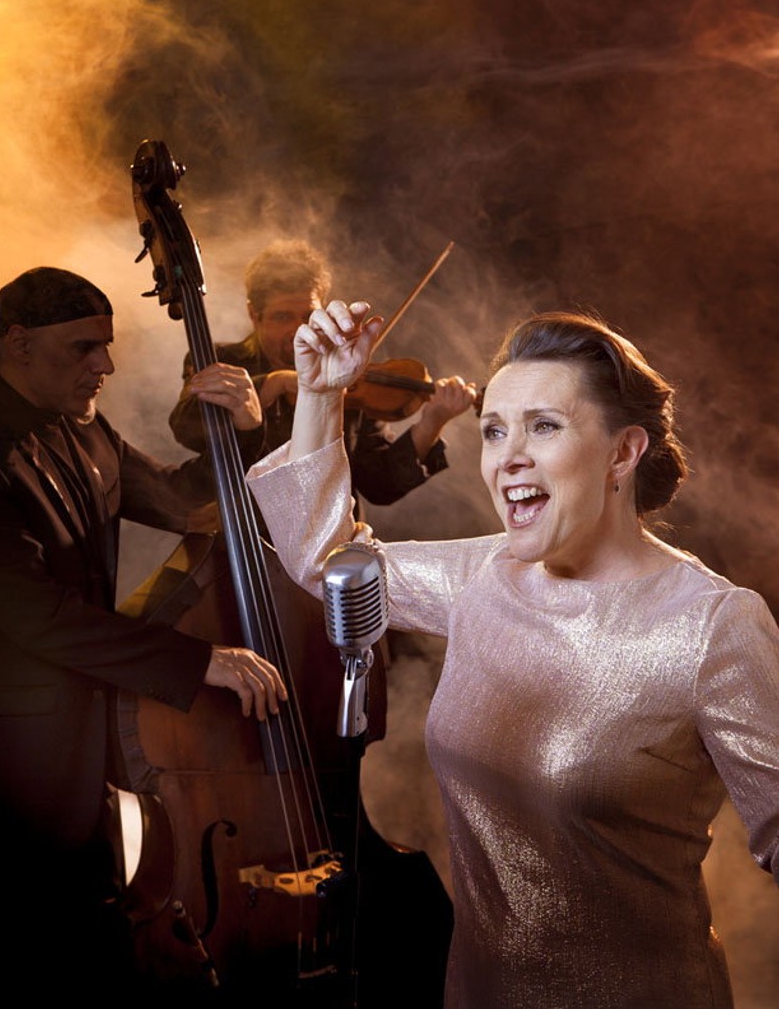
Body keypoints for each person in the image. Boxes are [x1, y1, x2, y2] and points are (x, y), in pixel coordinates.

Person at [245, 299, 779, 1009]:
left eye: (544, 426)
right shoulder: (483, 576)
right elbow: (325, 563)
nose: (508, 458)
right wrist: (319, 394)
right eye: (494, 430)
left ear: (623, 452)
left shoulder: (713, 624)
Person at [0, 267, 286, 1004]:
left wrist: (248, 433)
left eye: (108, 345)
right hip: (2, 771)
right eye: (84, 348)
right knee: (8, 968)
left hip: (85, 759)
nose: (106, 365)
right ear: (18, 344)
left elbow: (188, 504)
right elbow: (40, 617)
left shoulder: (84, 429)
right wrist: (198, 659)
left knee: (78, 964)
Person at [169, 239, 474, 504]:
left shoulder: (346, 371)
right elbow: (187, 428)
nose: (297, 329)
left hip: (330, 540)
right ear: (254, 315)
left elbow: (380, 485)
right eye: (282, 317)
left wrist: (432, 422)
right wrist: (274, 383)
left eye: (308, 315)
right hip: (246, 534)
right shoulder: (221, 359)